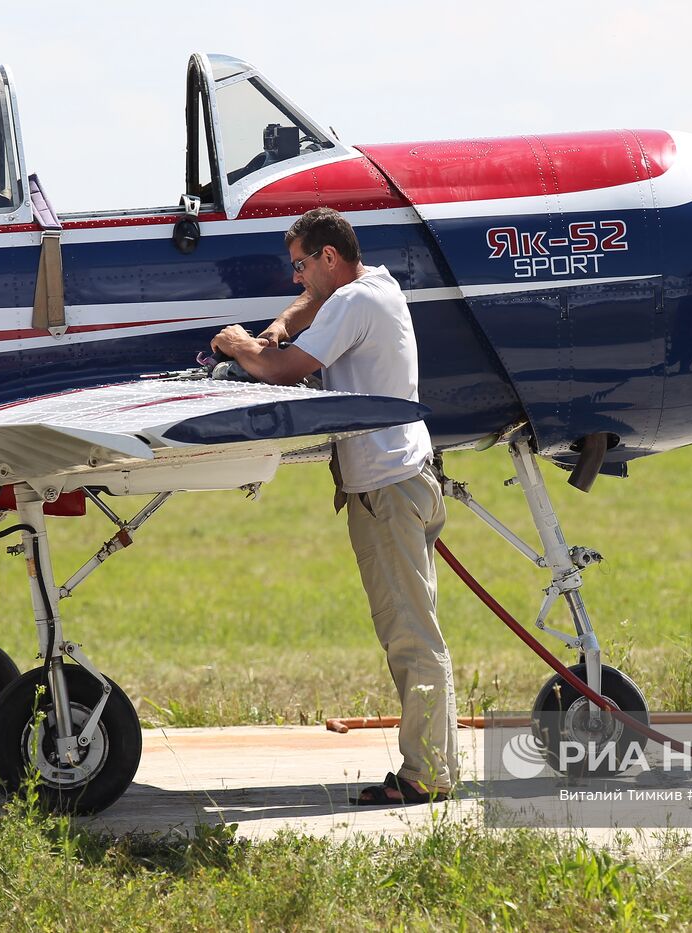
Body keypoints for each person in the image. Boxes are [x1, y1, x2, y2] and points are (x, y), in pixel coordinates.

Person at [211, 207, 458, 804]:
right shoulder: (374, 287)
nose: (295, 278)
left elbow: (278, 370)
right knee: (415, 629)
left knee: (410, 636)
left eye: (301, 265)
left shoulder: (351, 303)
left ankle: (427, 776)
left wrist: (241, 345)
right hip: (407, 479)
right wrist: (275, 328)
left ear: (328, 257)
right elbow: (306, 311)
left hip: (386, 490)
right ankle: (433, 767)